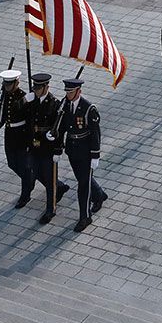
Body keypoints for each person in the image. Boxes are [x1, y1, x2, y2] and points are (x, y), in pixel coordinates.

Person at [55, 77, 108, 232]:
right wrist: (58, 148)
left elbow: (95, 133)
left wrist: (95, 155)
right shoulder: (64, 105)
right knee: (82, 178)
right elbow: (62, 128)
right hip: (72, 149)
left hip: (85, 151)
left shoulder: (88, 109)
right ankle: (99, 195)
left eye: (71, 92)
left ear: (79, 91)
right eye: (67, 92)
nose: (68, 94)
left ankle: (85, 217)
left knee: (83, 186)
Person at [26, 72, 70, 225]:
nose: (36, 90)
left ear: (46, 87)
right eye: (35, 87)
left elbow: (59, 128)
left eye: (39, 88)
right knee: (36, 172)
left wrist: (58, 149)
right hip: (34, 146)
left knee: (50, 180)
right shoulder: (33, 101)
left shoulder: (54, 104)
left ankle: (51, 209)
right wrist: (25, 101)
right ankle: (61, 187)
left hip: (48, 148)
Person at [0, 69, 34, 207]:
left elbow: (29, 120)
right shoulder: (5, 95)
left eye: (10, 84)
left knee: (23, 166)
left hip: (21, 134)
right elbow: (4, 112)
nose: (7, 87)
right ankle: (29, 179)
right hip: (10, 133)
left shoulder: (24, 96)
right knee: (12, 163)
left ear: (17, 83)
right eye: (5, 84)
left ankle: (25, 194)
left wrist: (30, 139)